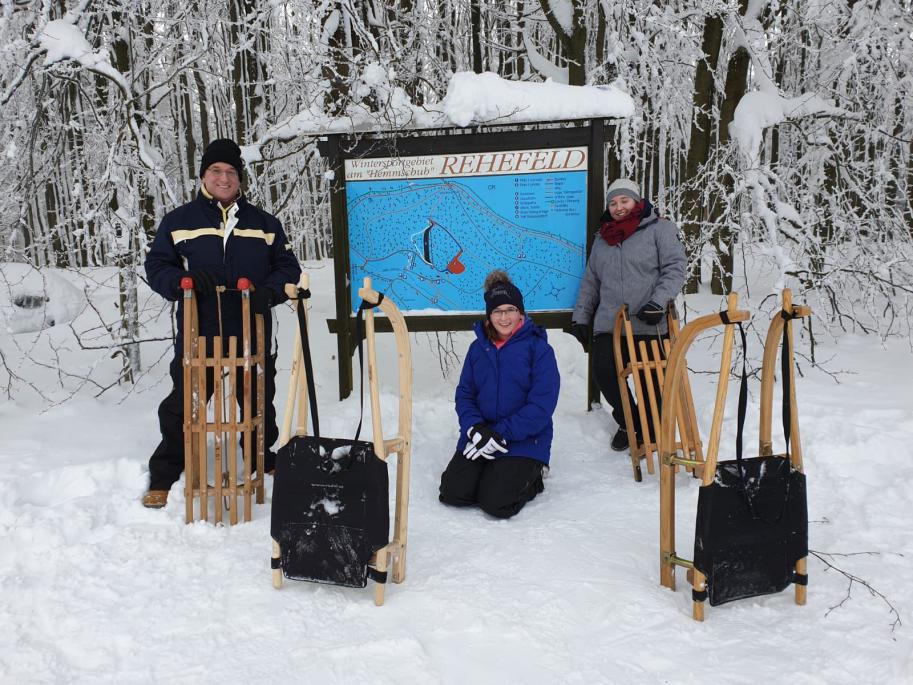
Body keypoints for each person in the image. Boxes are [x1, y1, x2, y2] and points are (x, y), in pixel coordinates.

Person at [141, 138, 301, 508]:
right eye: (216, 170)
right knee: (184, 403)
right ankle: (165, 473)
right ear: (203, 176)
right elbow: (157, 265)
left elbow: (287, 267)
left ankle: (261, 459)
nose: (224, 178)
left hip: (253, 329)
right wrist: (182, 281)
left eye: (231, 171)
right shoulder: (179, 222)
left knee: (258, 403)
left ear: (240, 179)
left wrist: (269, 292)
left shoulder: (265, 224)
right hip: (200, 331)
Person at [570, 178, 686, 451]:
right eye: (613, 203)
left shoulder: (660, 229)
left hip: (650, 320)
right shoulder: (602, 238)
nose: (619, 207)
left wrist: (658, 302)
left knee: (650, 383)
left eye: (624, 201)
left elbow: (675, 267)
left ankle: (650, 428)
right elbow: (591, 282)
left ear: (637, 201)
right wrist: (581, 317)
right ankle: (629, 422)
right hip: (611, 322)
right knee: (604, 373)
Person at [439, 270, 560, 519]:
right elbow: (465, 394)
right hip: (482, 434)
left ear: (520, 313)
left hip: (523, 440)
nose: (504, 317)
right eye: (497, 311)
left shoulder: (539, 349)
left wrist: (500, 433)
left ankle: (534, 476)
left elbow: (541, 406)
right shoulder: (477, 349)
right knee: (452, 493)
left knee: (496, 503)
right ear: (489, 315)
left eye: (510, 310)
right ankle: (492, 472)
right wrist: (475, 429)